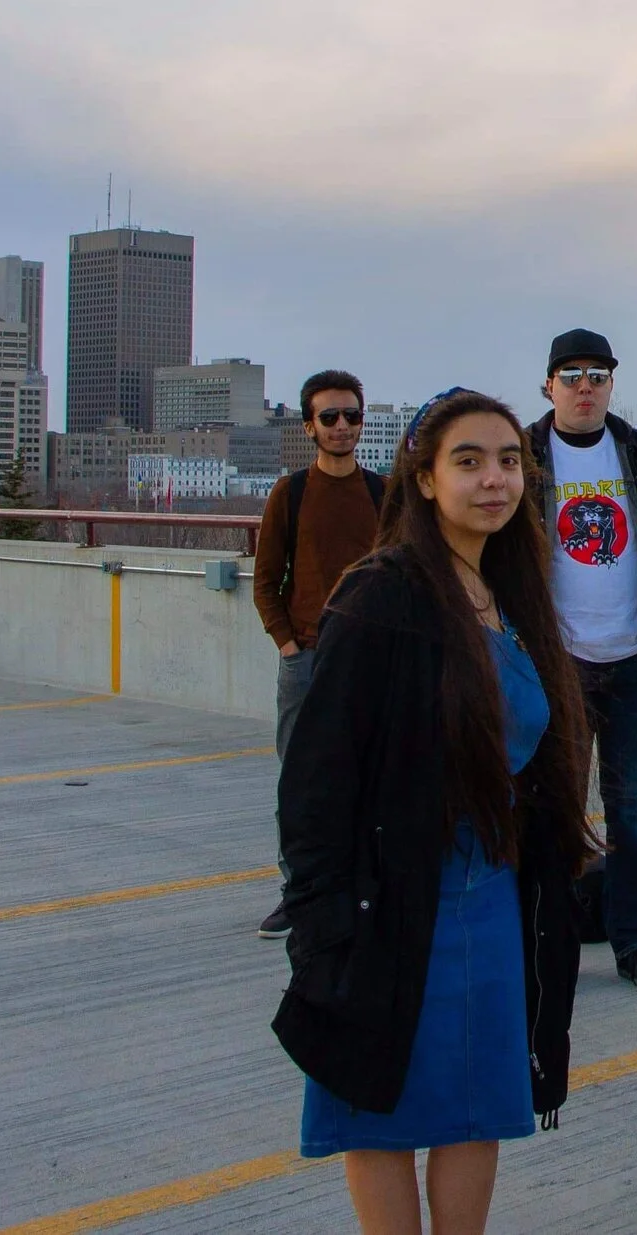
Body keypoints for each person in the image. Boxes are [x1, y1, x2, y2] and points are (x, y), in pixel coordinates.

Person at [271, 390, 594, 1235]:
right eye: (469, 460)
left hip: (490, 897)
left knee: (477, 1101)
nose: (495, 478)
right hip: (394, 895)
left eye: (509, 460)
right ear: (421, 477)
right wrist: (320, 922)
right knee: (381, 1100)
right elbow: (316, 780)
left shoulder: (509, 596)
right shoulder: (382, 597)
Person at [525, 329, 637, 996]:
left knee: (631, 813)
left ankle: (634, 943)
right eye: (570, 374)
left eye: (596, 374)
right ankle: (545, 945)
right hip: (555, 666)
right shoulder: (523, 456)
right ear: (548, 385)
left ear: (610, 384)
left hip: (634, 662)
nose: (584, 386)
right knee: (552, 811)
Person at [253, 370, 388, 939]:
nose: (341, 427)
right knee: (302, 784)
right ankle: (300, 892)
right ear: (309, 425)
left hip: (372, 659)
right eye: (329, 417)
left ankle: (365, 889)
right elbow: (265, 582)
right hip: (307, 659)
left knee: (375, 779)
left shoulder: (383, 493)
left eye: (351, 416)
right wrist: (290, 646)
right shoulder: (292, 493)